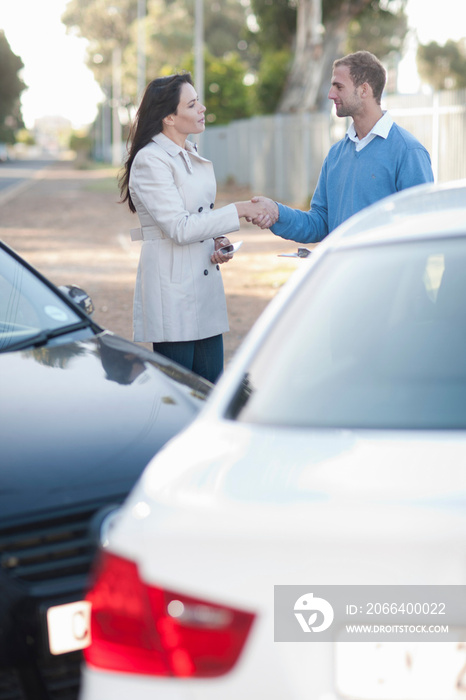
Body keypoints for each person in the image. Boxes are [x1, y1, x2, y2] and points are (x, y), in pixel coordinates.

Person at [119, 72, 267, 383]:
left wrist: (217, 240)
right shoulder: (151, 161)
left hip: (204, 285)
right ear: (169, 117)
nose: (201, 109)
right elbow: (180, 227)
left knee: (210, 386)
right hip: (172, 289)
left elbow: (199, 217)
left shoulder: (191, 152)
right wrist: (239, 210)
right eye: (192, 104)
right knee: (177, 393)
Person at [251, 51, 434, 241]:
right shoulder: (336, 154)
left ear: (364, 90)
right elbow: (319, 224)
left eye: (339, 87)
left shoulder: (408, 152)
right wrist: (277, 213)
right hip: (344, 270)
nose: (331, 95)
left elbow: (422, 228)